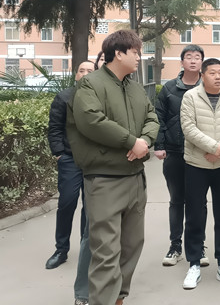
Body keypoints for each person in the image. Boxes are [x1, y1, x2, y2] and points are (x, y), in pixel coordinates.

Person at [66, 30, 159, 305]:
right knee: (105, 251)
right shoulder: (91, 84)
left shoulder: (135, 87)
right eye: (136, 52)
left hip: (135, 178)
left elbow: (152, 117)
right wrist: (131, 141)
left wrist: (145, 141)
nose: (139, 57)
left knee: (131, 246)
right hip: (105, 180)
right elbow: (91, 120)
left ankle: (119, 297)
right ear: (118, 53)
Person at [180, 58, 220, 289]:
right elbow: (188, 128)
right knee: (195, 216)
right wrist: (212, 147)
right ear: (203, 75)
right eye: (213, 73)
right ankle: (194, 264)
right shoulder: (190, 97)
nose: (218, 77)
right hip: (197, 164)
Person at [154, 45, 209, 267]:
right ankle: (175, 246)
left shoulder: (208, 87)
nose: (193, 61)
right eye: (189, 57)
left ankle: (198, 246)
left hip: (200, 154)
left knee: (199, 202)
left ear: (202, 62)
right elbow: (158, 117)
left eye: (197, 57)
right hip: (175, 152)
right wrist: (159, 145)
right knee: (176, 200)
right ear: (182, 62)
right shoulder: (169, 88)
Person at [45, 60, 95, 270]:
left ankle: (87, 249)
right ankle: (61, 250)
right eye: (81, 70)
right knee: (67, 203)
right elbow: (54, 128)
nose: (85, 74)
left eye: (90, 71)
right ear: (76, 75)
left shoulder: (100, 97)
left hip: (94, 161)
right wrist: (59, 153)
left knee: (90, 207)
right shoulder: (64, 97)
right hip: (69, 159)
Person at [72, 52, 105, 305]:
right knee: (91, 232)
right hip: (96, 171)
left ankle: (112, 287)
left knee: (118, 236)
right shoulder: (81, 95)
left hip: (124, 172)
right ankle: (83, 292)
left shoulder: (126, 92)